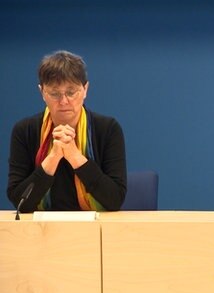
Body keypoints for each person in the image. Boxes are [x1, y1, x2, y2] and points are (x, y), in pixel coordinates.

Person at [7, 50, 126, 212]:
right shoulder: (24, 131)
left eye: (71, 92)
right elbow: (20, 202)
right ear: (42, 92)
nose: (64, 101)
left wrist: (74, 156)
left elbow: (115, 200)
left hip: (94, 230)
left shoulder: (108, 129)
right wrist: (54, 157)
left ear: (85, 90)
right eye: (55, 93)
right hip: (41, 231)